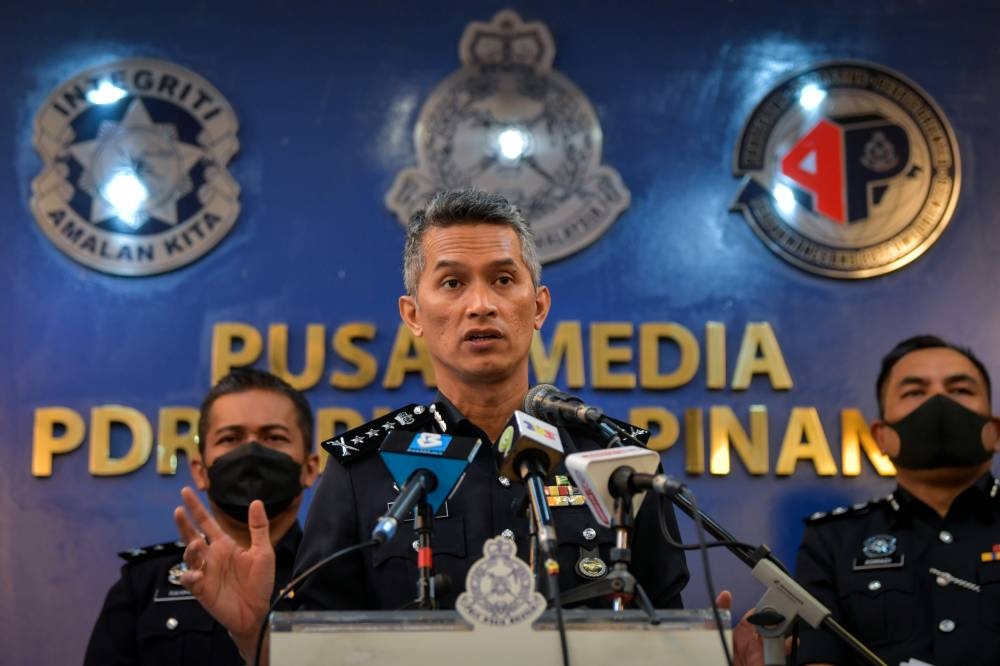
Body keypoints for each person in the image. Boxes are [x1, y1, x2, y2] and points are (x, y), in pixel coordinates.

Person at [173, 189, 691, 662]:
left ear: (538, 306)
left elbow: (669, 638)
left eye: (504, 279)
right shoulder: (363, 472)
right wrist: (252, 638)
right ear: (414, 314)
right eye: (452, 282)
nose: (481, 304)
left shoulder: (616, 460)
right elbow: (322, 653)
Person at [84, 368, 319, 665]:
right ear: (200, 470)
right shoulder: (145, 582)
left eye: (273, 437)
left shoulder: (342, 574)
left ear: (310, 468)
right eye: (230, 438)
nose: (251, 451)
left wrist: (255, 638)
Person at [794, 335, 1000, 665]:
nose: (939, 402)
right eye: (914, 392)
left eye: (960, 389)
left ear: (995, 431)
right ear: (882, 437)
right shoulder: (832, 540)